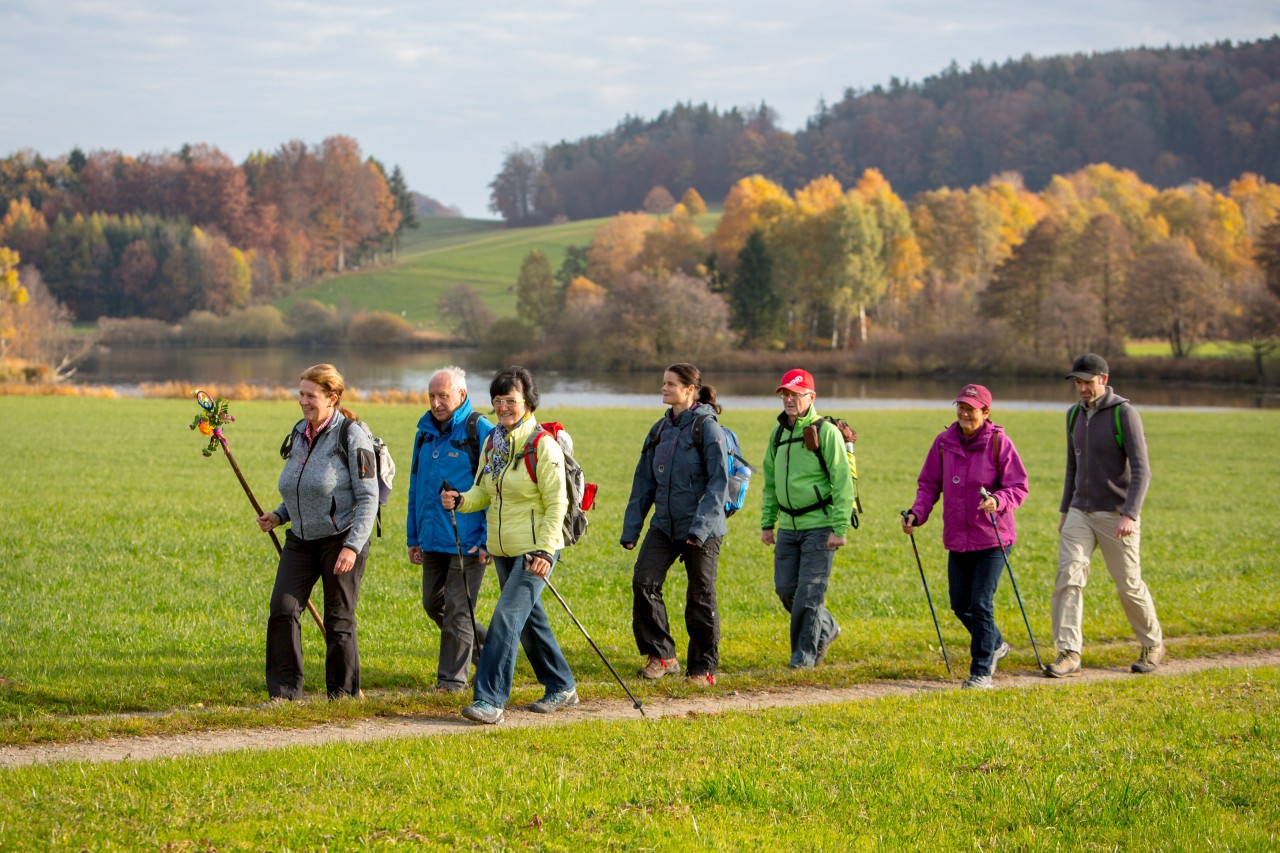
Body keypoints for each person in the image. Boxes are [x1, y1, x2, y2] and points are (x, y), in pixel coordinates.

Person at [441, 367, 577, 724]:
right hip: (503, 549)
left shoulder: (541, 446)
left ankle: (489, 700)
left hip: (535, 551)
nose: (503, 408)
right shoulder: (494, 444)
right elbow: (485, 491)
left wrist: (547, 552)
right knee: (530, 621)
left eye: (511, 400)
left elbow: (556, 504)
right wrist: (461, 500)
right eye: (498, 401)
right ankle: (561, 684)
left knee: (505, 619)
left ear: (528, 403)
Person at [258, 364, 378, 701]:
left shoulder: (352, 435)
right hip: (301, 539)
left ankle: (342, 695)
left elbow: (368, 497)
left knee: (338, 619)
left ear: (333, 398)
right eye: (301, 394)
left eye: (311, 395)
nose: (303, 401)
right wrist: (279, 515)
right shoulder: (299, 431)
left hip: (342, 539)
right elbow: (302, 488)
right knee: (282, 608)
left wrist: (353, 546)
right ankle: (284, 693)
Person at [902, 384, 1030, 689]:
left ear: (985, 412)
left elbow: (1018, 486)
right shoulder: (944, 443)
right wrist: (917, 514)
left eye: (970, 408)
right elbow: (929, 486)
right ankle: (995, 643)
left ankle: (981, 672)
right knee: (960, 604)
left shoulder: (999, 443)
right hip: (958, 539)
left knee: (981, 603)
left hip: (993, 538)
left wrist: (997, 501)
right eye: (960, 406)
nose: (963, 413)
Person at [1046, 353, 1164, 677]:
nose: (1082, 388)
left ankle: (1152, 644)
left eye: (1088, 381)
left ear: (1104, 380)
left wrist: (1130, 514)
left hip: (1116, 514)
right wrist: (1064, 510)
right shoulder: (1073, 415)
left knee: (1128, 584)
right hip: (1079, 512)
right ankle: (1069, 652)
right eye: (1078, 382)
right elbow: (1073, 467)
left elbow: (1142, 470)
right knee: (1068, 577)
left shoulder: (1124, 414)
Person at [621, 363, 731, 686]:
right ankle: (663, 655)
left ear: (689, 390)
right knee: (644, 581)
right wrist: (632, 530)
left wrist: (698, 530)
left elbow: (717, 484)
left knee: (700, 596)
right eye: (663, 383)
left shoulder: (707, 429)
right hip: (665, 525)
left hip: (703, 529)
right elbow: (643, 483)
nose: (663, 388)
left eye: (670, 384)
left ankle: (703, 668)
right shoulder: (659, 430)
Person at [406, 366, 494, 693]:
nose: (437, 402)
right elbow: (416, 487)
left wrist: (487, 541)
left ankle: (451, 682)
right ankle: (493, 650)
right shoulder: (424, 433)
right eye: (432, 395)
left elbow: (494, 488)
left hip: (468, 542)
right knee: (433, 603)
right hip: (432, 540)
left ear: (461, 394)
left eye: (443, 395)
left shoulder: (480, 430)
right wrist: (413, 537)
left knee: (459, 610)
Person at [760, 368, 855, 669]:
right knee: (786, 590)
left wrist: (839, 528)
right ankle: (827, 628)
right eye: (785, 394)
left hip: (820, 525)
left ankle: (803, 658)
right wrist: (767, 523)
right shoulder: (778, 434)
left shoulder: (824, 432)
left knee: (809, 594)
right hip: (788, 526)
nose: (789, 399)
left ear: (811, 397)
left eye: (795, 394)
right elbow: (771, 483)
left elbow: (842, 482)